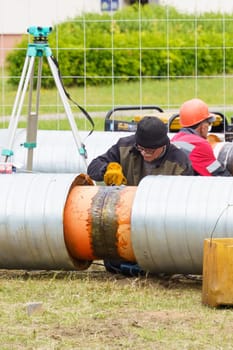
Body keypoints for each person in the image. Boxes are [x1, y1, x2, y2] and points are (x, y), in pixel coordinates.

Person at [87, 116, 193, 186]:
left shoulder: (180, 163)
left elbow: (185, 196)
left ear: (163, 145)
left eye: (149, 151)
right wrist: (107, 169)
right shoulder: (125, 146)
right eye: (140, 148)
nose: (144, 153)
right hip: (126, 208)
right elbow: (93, 167)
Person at [171, 98, 231, 176]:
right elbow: (217, 173)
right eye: (209, 123)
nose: (209, 126)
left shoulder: (174, 139)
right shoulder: (200, 145)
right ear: (203, 126)